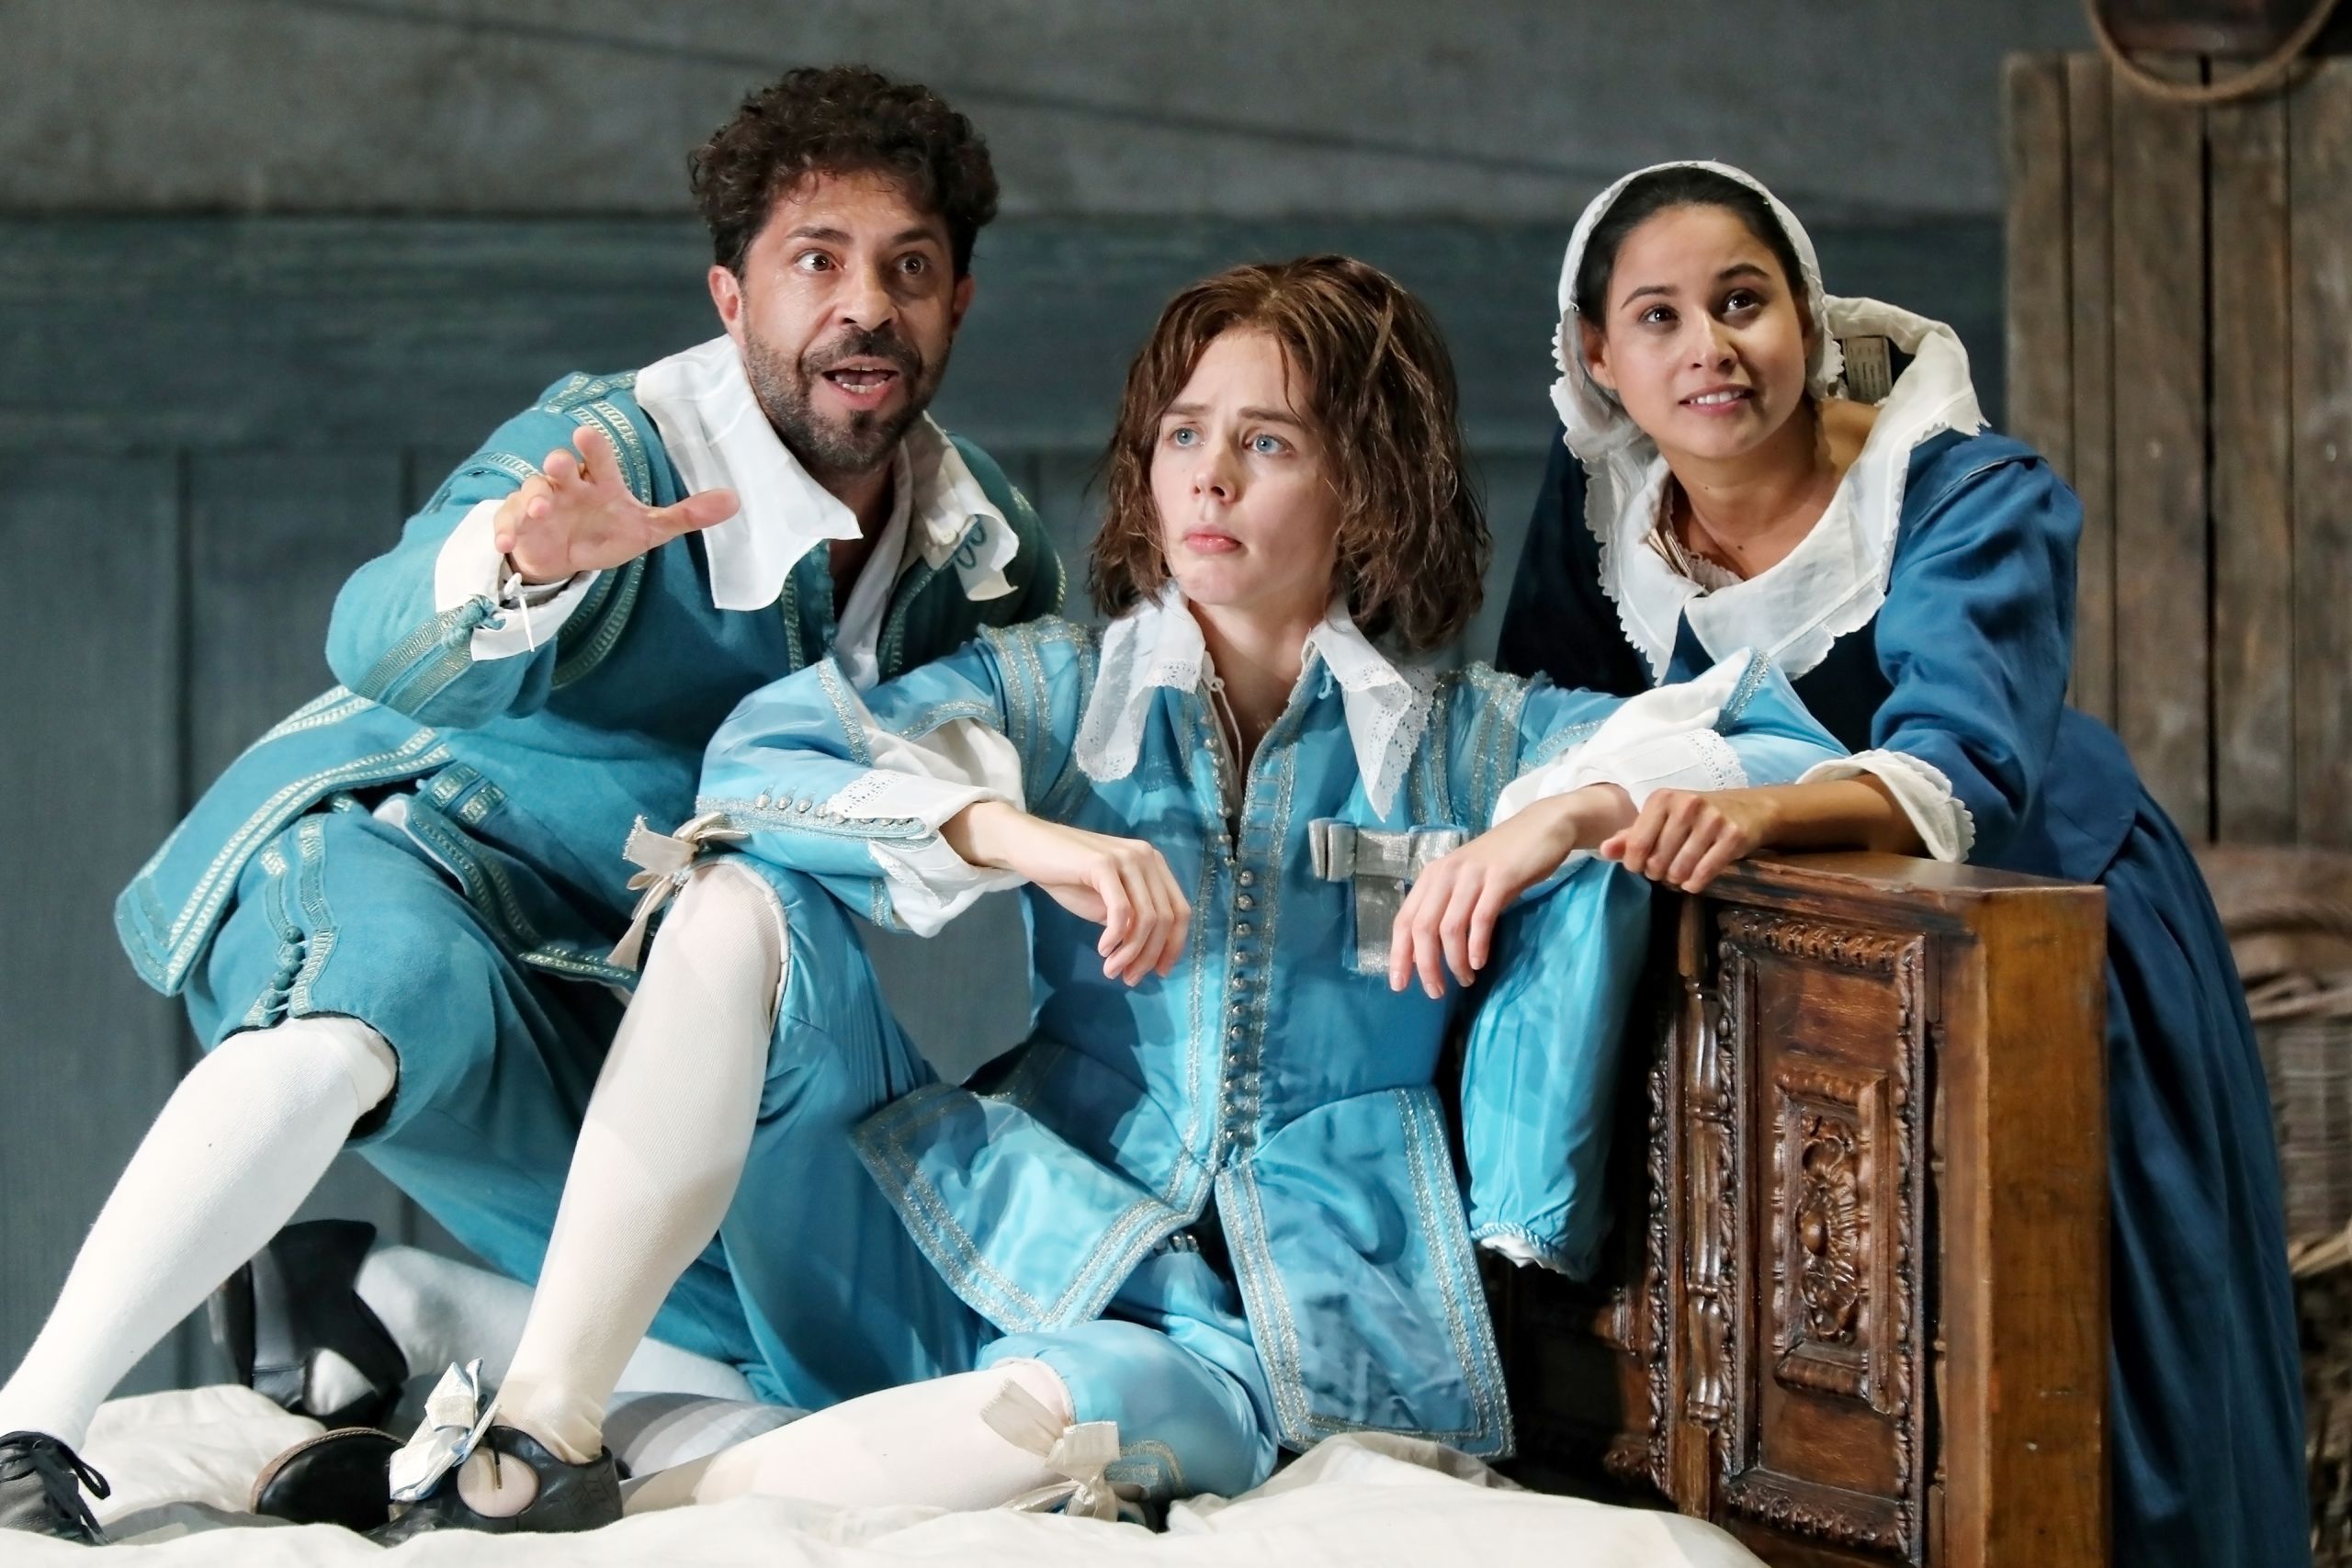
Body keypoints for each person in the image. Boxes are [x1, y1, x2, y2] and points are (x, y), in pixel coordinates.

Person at [363, 254, 1852, 1538]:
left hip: (1264, 1336)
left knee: (1118, 1404)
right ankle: (543, 1429)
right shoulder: (1069, 693)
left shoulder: (1474, 744)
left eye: (1266, 441)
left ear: (1368, 483)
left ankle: (595, 1507)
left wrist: (1566, 819)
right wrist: (1026, 839)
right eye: (1184, 432)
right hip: (989, 1245)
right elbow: (764, 764)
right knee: (742, 900)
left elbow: (1779, 743)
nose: (1206, 476)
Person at [0, 64, 1064, 1546]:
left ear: (955, 305)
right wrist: (529, 555)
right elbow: (375, 634)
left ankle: (379, 1302)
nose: (862, 307)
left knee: (774, 1358)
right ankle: (30, 1428)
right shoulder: (615, 449)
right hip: (408, 850)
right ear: (731, 297)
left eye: (909, 269)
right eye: (814, 262)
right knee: (373, 999)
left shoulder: (976, 546)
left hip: (600, 998)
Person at [1496, 160, 2304, 1568]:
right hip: (1783, 981)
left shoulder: (1954, 490)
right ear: (1600, 361)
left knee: (2077, 1366)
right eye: (1662, 318)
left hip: (2048, 944)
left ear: (1806, 317)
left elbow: (1964, 772)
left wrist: (1752, 812)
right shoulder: (1600, 523)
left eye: (1743, 303)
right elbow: (1535, 734)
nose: (1711, 349)